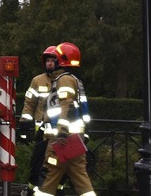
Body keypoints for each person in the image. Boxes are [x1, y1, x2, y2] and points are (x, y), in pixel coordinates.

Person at [37, 42, 96, 196]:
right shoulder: (75, 80)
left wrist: (61, 133)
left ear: (61, 61)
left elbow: (67, 105)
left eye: (55, 59)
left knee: (48, 176)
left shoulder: (64, 80)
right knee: (81, 178)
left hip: (62, 140)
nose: (52, 62)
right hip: (75, 140)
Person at [19, 46, 59, 194]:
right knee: (36, 163)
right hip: (42, 133)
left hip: (61, 133)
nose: (49, 63)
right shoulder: (37, 81)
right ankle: (31, 190)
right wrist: (24, 123)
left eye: (52, 60)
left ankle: (57, 190)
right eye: (47, 61)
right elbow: (29, 103)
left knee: (58, 165)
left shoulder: (65, 81)